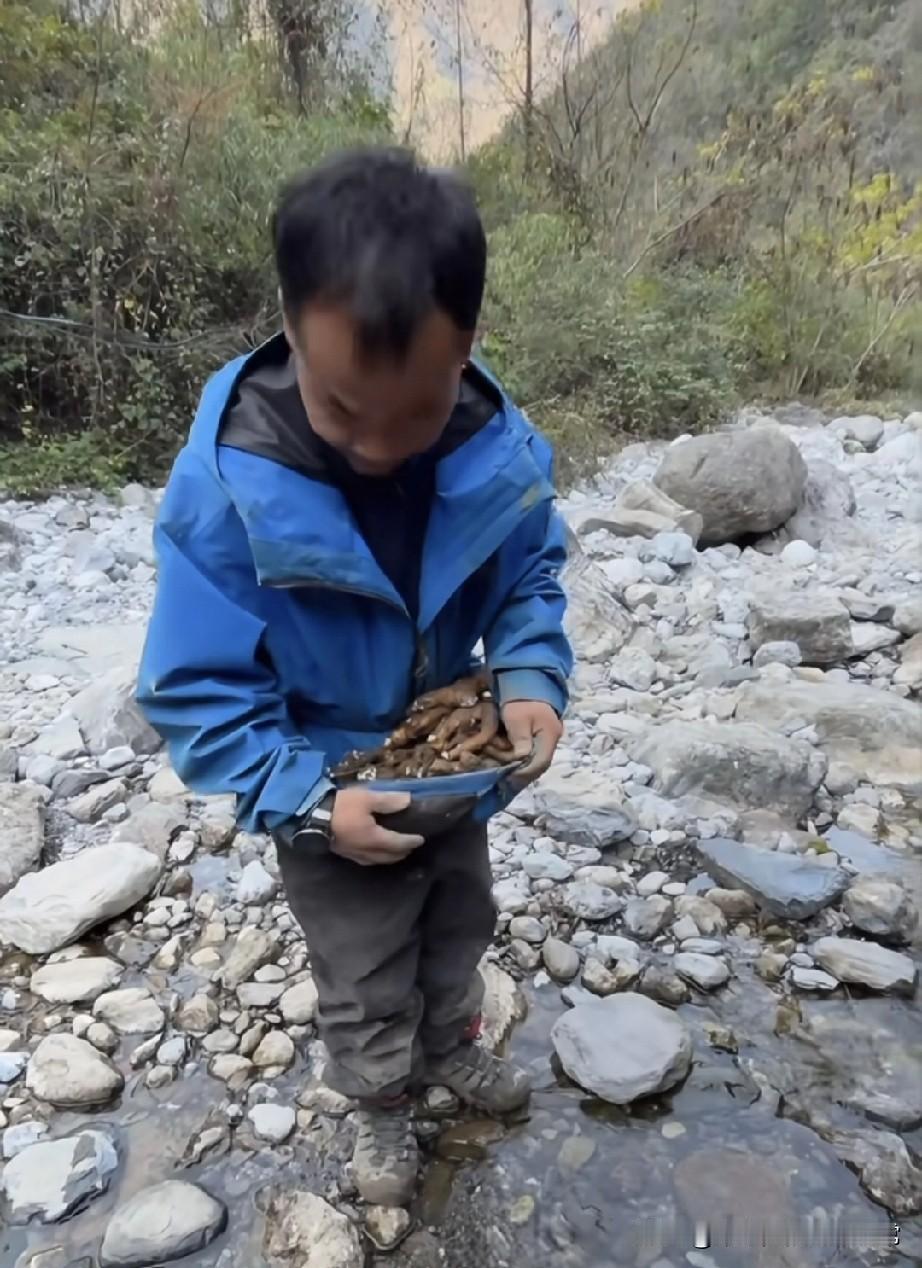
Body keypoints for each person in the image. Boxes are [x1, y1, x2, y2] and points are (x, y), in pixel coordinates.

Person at [136, 146, 573, 1206]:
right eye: (342, 410)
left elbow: (529, 576)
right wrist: (306, 798)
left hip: (457, 774)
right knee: (362, 966)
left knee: (459, 923)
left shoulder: (496, 451)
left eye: (413, 412)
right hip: (321, 786)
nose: (379, 444)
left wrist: (527, 676)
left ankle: (454, 1043)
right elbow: (197, 685)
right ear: (290, 327)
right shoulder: (226, 490)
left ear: (466, 347)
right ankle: (382, 1103)